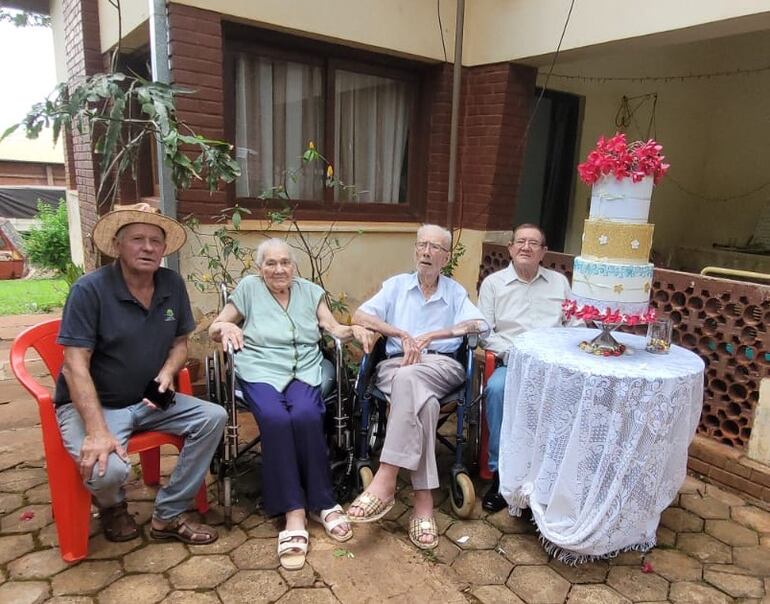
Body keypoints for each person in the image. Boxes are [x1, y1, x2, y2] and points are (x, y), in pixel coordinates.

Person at [55, 203, 226, 545]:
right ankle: (111, 505)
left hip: (149, 400)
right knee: (109, 471)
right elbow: (74, 364)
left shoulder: (171, 283)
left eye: (155, 241)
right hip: (98, 406)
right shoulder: (90, 290)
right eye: (137, 239)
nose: (147, 247)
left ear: (164, 249)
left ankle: (169, 514)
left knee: (213, 417)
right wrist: (96, 430)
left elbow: (180, 343)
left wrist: (167, 372)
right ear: (117, 245)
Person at [208, 238, 375, 571]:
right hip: (259, 369)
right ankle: (293, 512)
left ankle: (323, 503)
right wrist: (225, 325)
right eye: (270, 263)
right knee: (275, 418)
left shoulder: (310, 292)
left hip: (304, 369)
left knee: (307, 414)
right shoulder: (248, 289)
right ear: (260, 268)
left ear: (293, 266)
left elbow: (333, 328)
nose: (279, 269)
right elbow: (216, 325)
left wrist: (354, 329)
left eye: (285, 262)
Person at [346, 224, 487, 550]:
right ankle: (423, 505)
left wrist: (432, 336)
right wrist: (399, 333)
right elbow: (360, 314)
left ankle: (386, 478)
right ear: (415, 250)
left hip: (440, 365)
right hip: (396, 364)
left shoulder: (454, 292)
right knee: (425, 403)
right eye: (421, 245)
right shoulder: (395, 287)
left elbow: (480, 324)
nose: (426, 252)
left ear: (446, 256)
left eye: (434, 247)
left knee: (409, 380)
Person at [478, 223, 580, 512]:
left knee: (576, 395)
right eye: (520, 241)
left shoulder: (559, 283)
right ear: (510, 248)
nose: (526, 247)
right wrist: (514, 355)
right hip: (513, 363)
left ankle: (555, 477)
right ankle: (501, 476)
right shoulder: (493, 284)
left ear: (544, 251)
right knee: (497, 389)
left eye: (534, 243)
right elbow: (485, 331)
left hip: (554, 367)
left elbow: (575, 325)